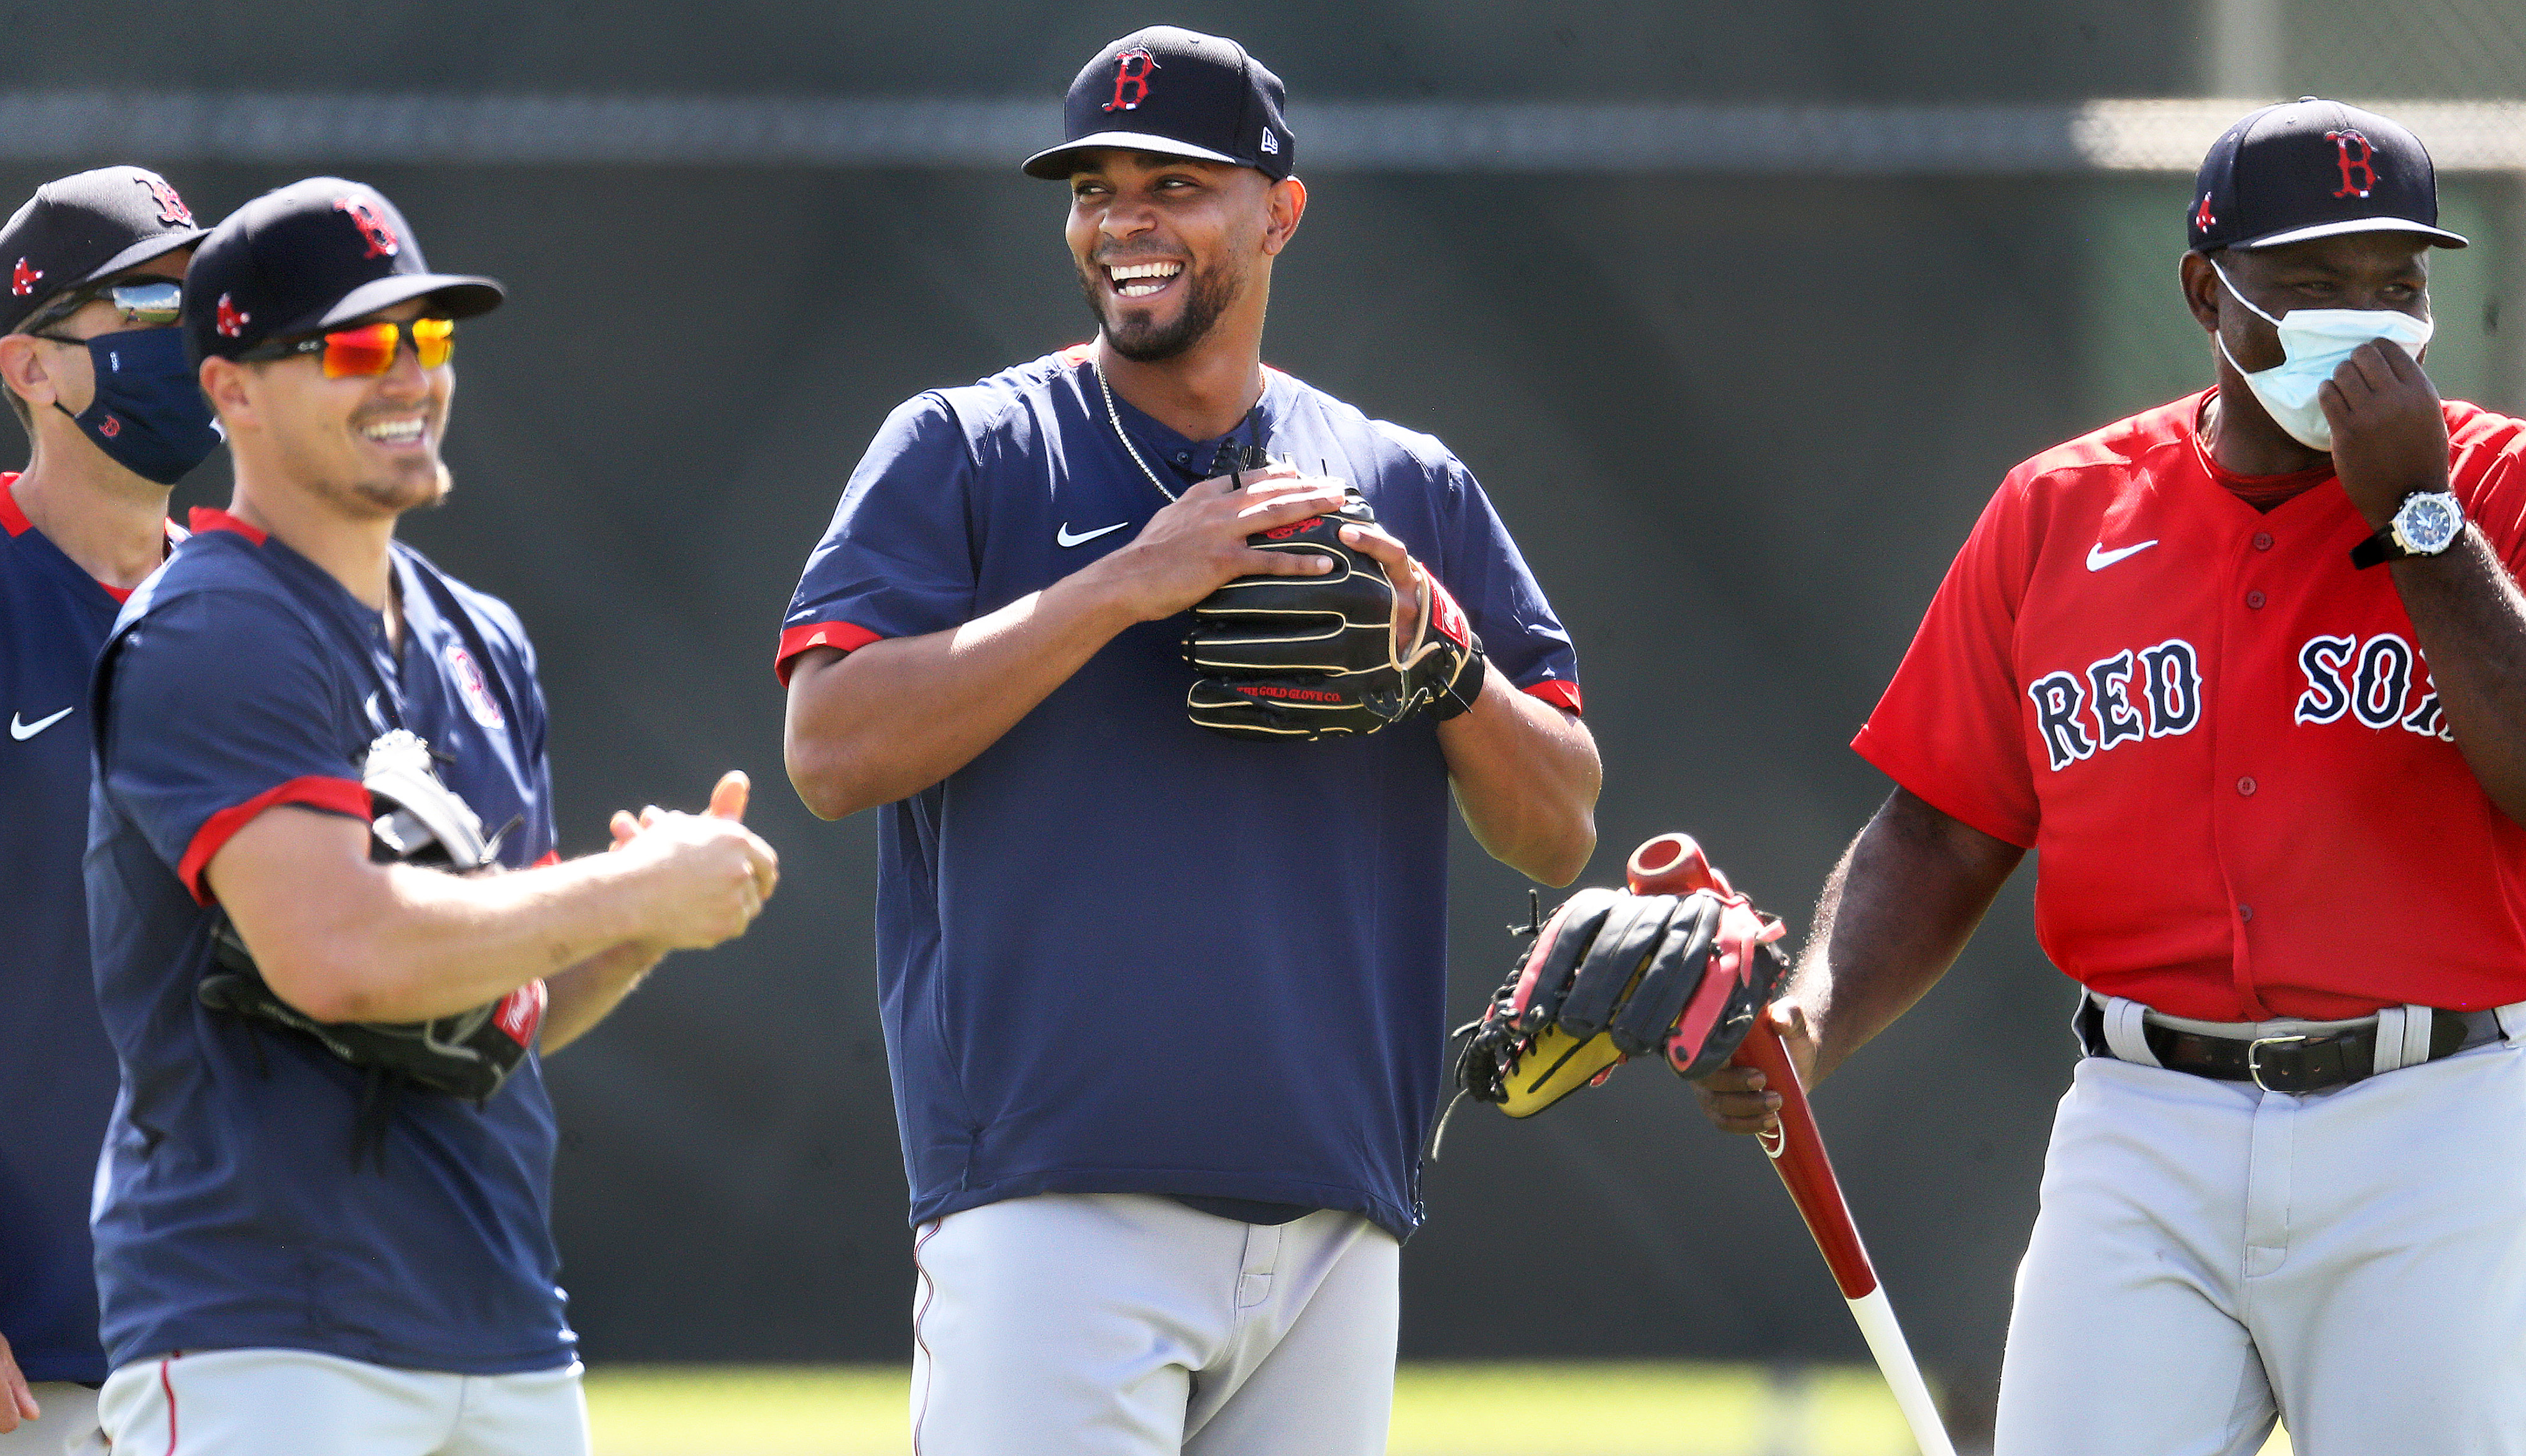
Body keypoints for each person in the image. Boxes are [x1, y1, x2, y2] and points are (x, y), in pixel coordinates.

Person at [780, 26, 1599, 1456]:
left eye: (1175, 184)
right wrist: (1119, 585)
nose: (1124, 223)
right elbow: (829, 748)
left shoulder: (1402, 483)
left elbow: (1561, 819)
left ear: (1279, 210)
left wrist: (1447, 662)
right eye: (1094, 188)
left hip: (1337, 1212)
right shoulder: (972, 449)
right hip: (1053, 1198)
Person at [1696, 99, 2526, 1455]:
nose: (2364, 321)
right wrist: (1806, 1022)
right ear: (2207, 289)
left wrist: (2416, 519)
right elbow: (1941, 826)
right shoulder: (2059, 510)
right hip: (2147, 1122)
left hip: (2431, 1122)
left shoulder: (2489, 485)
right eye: (2314, 282)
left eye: (2396, 283)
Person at [83, 177, 779, 1456]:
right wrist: (622, 894)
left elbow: (492, 1016)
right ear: (230, 386)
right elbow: (335, 952)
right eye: (354, 345)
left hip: (503, 1322)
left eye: (428, 336)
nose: (406, 374)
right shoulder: (215, 624)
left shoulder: (482, 636)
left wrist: (633, 934)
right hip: (267, 1330)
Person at [0, 165, 211, 1456]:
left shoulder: (264, 611)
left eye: (199, 302)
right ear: (30, 366)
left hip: (262, 1342)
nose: (181, 340)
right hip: (43, 1365)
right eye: (142, 303)